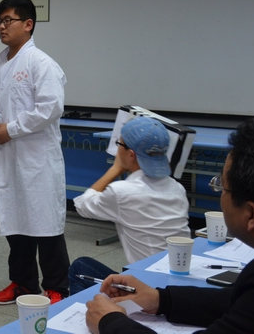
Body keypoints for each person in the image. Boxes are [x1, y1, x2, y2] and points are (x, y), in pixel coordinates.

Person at [85, 114, 254, 334]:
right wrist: (161, 299)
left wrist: (111, 322)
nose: (220, 193)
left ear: (251, 214)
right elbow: (237, 302)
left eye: (221, 186)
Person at [0, 0, 70, 305]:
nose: (1, 27)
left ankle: (57, 288)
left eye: (8, 20)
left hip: (37, 161)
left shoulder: (41, 63)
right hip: (8, 160)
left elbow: (50, 108)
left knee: (45, 225)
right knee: (16, 224)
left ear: (28, 24)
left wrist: (11, 129)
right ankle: (22, 284)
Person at [70, 116, 190, 294]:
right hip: (179, 285)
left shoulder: (121, 192)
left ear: (131, 154)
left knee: (80, 267)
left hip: (146, 288)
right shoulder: (177, 188)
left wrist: (115, 169)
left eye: (119, 144)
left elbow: (81, 204)